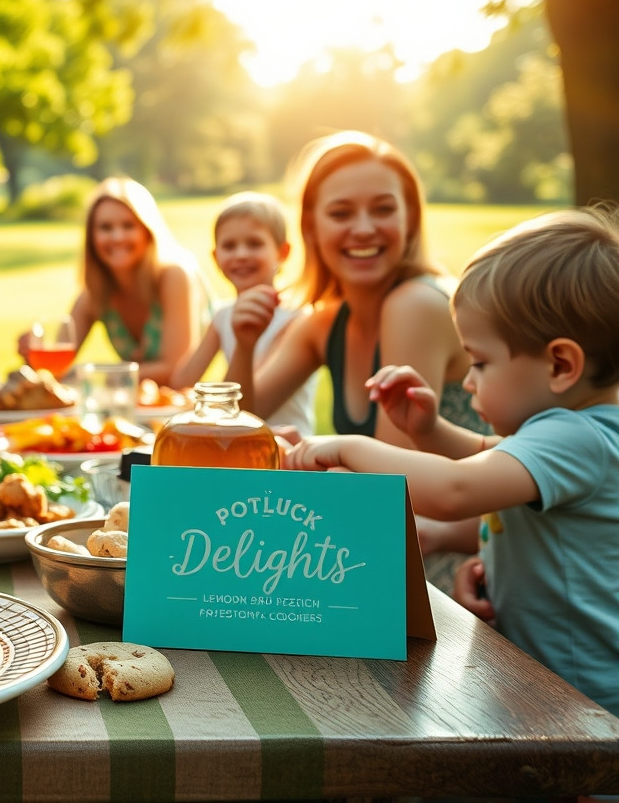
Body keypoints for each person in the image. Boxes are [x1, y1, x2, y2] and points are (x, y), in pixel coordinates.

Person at [283, 207, 619, 717]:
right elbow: (487, 460)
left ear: (560, 365)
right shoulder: (570, 433)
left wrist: (350, 446)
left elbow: (457, 490)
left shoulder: (579, 437)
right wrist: (429, 431)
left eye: (480, 362)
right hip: (541, 683)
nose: (468, 380)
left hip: (584, 701)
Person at [225, 131, 488, 562]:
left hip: (450, 560)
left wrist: (302, 452)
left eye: (383, 209)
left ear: (410, 219)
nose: (363, 228)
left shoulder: (416, 304)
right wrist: (246, 344)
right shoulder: (327, 320)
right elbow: (230, 429)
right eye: (341, 212)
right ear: (312, 226)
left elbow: (384, 491)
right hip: (381, 545)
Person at [18, 177, 209, 385]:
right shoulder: (94, 295)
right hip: (135, 406)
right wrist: (31, 358)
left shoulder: (174, 276)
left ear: (147, 230)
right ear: (91, 237)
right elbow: (56, 371)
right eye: (106, 228)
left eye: (128, 226)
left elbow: (177, 371)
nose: (117, 237)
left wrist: (96, 374)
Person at [170, 192, 316, 438]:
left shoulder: (296, 318)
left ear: (283, 252)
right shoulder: (222, 315)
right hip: (236, 443)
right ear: (216, 258)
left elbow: (246, 405)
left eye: (254, 244)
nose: (241, 254)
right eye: (229, 246)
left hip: (288, 450)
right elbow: (182, 381)